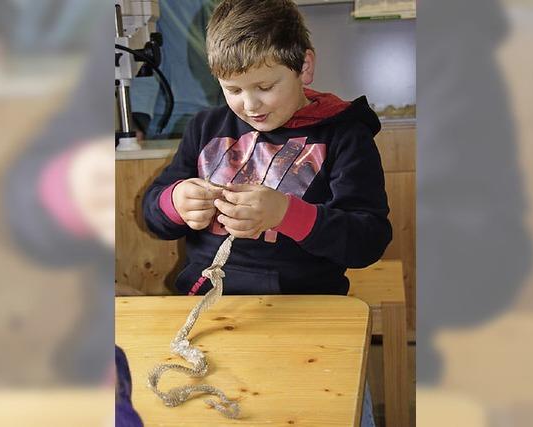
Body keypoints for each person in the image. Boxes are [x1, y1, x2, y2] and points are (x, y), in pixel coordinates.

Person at [143, 1, 390, 422]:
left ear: (304, 67)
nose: (250, 105)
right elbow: (154, 215)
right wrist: (176, 201)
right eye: (233, 89)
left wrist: (286, 215)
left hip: (309, 312)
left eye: (264, 86)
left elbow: (367, 240)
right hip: (210, 316)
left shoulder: (344, 135)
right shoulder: (206, 129)